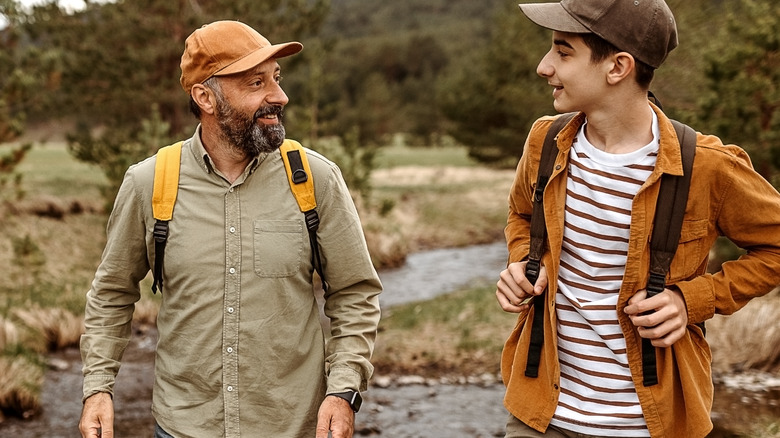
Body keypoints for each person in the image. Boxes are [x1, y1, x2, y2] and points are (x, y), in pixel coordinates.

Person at [78, 20, 382, 438]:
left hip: (293, 426)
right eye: (257, 83)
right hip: (183, 426)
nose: (279, 96)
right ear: (204, 96)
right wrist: (98, 388)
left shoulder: (314, 179)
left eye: (276, 79)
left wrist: (343, 390)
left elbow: (354, 293)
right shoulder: (149, 182)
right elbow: (112, 294)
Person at [495, 1, 780, 437]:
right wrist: (522, 262)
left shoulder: (706, 166)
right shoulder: (544, 141)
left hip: (652, 424)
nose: (544, 66)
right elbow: (521, 214)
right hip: (538, 417)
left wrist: (692, 300)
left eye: (563, 51)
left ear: (618, 67)